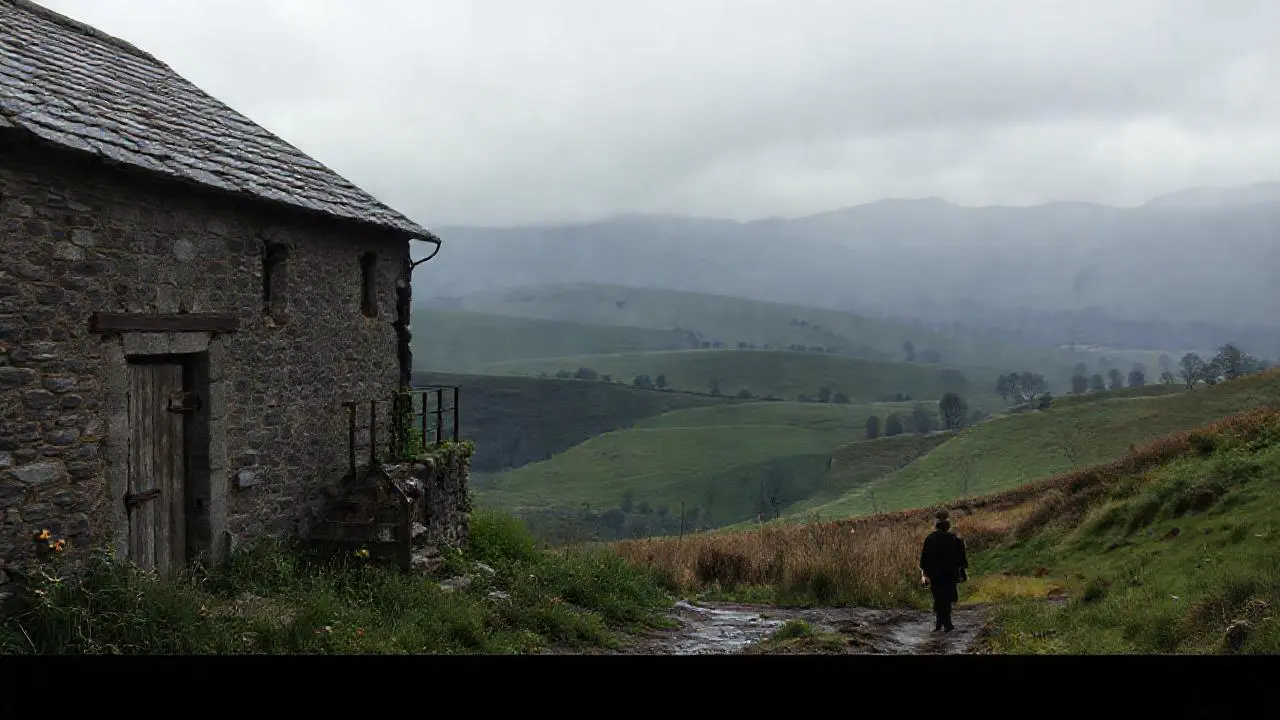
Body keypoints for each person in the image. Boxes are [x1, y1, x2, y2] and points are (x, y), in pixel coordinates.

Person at [919, 509, 969, 632]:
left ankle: (940, 622)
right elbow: (961, 559)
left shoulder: (930, 539)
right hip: (950, 573)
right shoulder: (954, 539)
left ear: (936, 525)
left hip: (935, 574)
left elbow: (924, 560)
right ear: (947, 525)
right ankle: (946, 622)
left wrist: (925, 574)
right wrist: (962, 571)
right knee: (946, 597)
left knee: (939, 597)